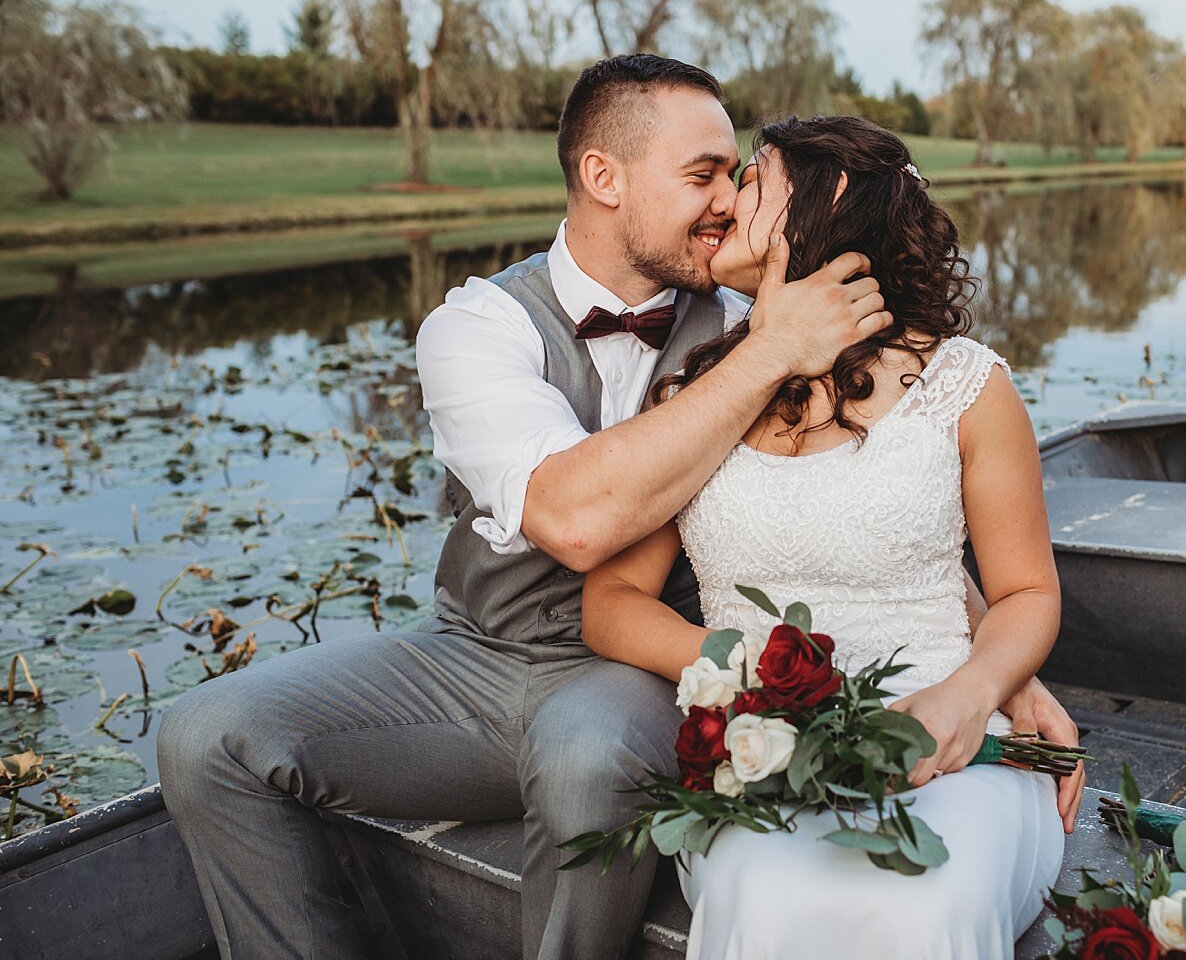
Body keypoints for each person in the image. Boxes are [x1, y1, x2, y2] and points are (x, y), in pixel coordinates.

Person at [156, 55, 1079, 960]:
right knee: (206, 740)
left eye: (737, 177)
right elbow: (581, 522)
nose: (725, 199)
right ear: (604, 176)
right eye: (704, 174)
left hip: (642, 679)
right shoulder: (483, 327)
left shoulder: (751, 311)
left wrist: (985, 664)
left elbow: (870, 501)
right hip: (483, 655)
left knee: (586, 756)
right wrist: (769, 352)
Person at [582, 114, 1069, 960]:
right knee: (767, 892)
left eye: (755, 179)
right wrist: (740, 680)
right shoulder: (698, 402)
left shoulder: (964, 385)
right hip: (763, 751)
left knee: (923, 900)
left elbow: (1026, 592)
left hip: (954, 745)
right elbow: (612, 602)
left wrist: (977, 692)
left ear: (828, 205)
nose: (725, 200)